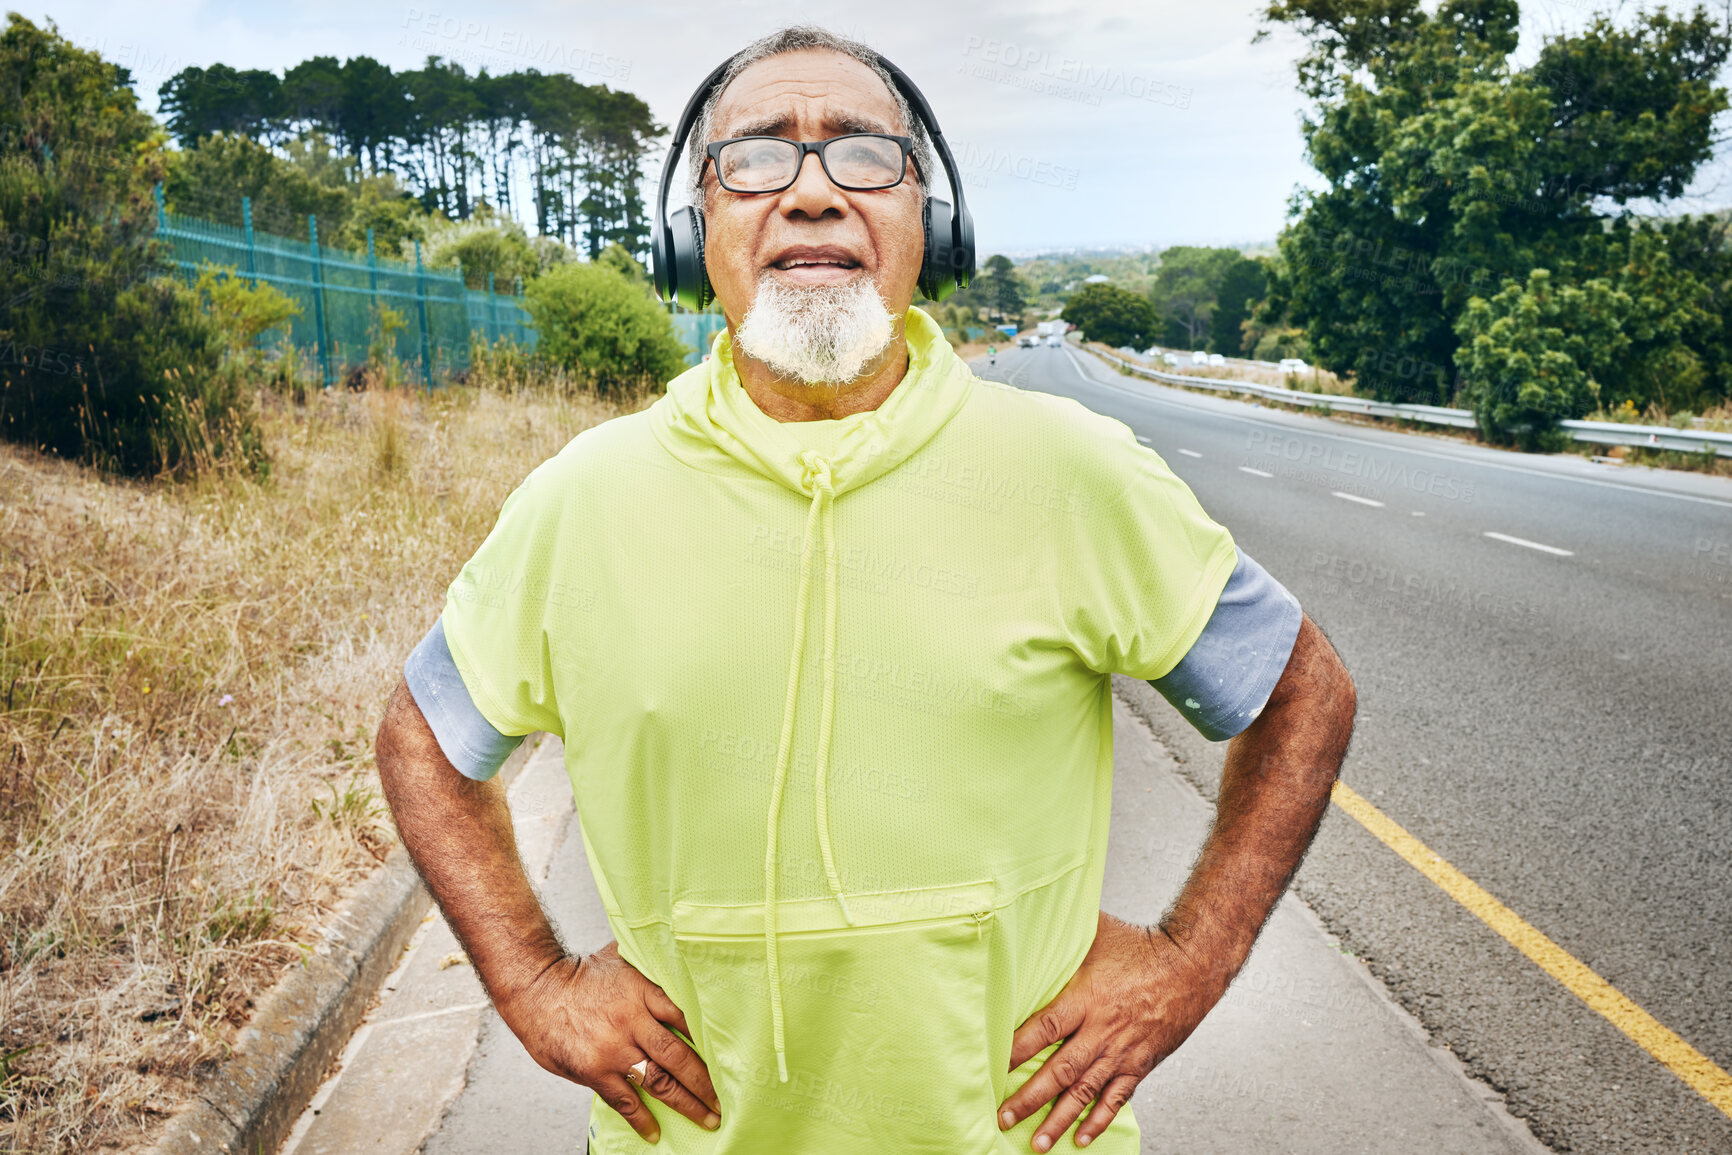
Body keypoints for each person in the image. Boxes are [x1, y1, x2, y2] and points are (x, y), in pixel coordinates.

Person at [375, 25, 1355, 1155]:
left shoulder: (1071, 471)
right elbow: (424, 741)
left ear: (927, 223)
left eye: (860, 153)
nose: (808, 194)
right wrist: (535, 981)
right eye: (754, 156)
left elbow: (1303, 692)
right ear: (694, 232)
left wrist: (1187, 961)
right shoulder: (583, 498)